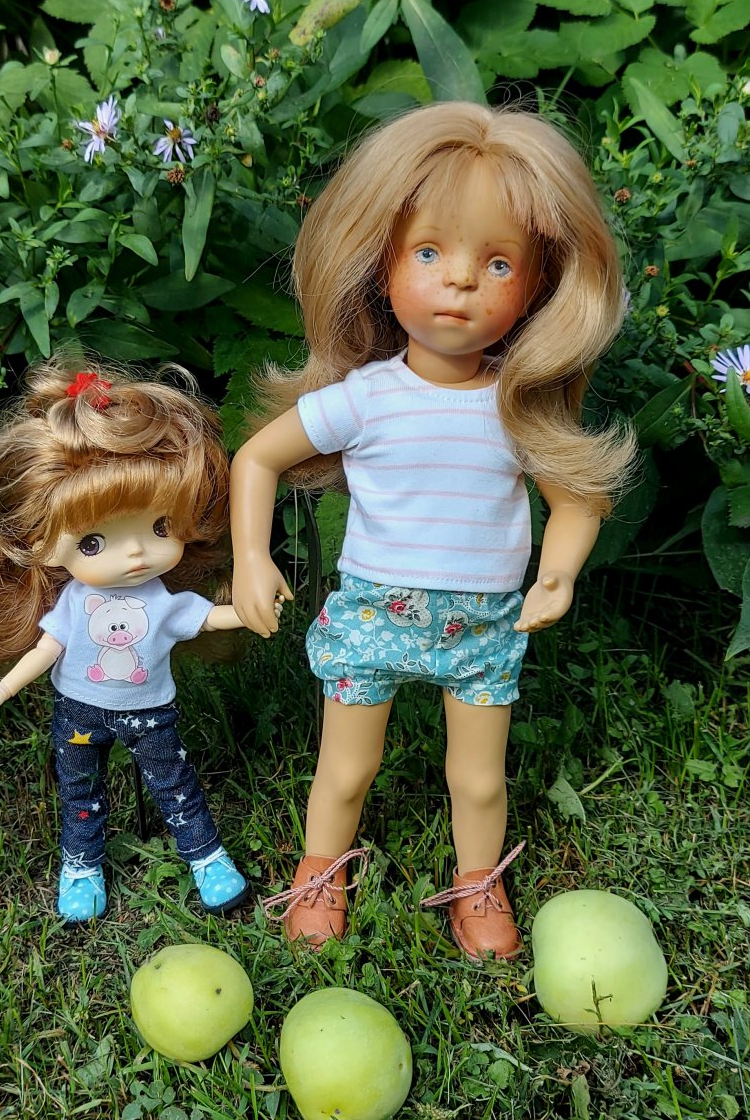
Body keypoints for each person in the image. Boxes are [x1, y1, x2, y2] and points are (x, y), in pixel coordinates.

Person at [230, 101, 634, 959]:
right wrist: (251, 558)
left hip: (482, 626)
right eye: (428, 253)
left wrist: (557, 571)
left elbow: (577, 499)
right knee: (346, 766)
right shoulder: (366, 398)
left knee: (477, 778)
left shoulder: (516, 406)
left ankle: (478, 884)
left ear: (538, 287)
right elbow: (257, 458)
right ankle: (319, 870)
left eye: (498, 262)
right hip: (374, 614)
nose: (460, 281)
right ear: (379, 264)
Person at [0, 360, 279, 923]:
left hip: (150, 712)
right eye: (93, 543)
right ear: (43, 546)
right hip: (78, 710)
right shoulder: (73, 602)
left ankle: (206, 858)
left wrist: (250, 612)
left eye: (159, 527)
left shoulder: (162, 600)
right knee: (80, 793)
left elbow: (206, 619)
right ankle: (81, 864)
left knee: (176, 785)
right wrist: (5, 687)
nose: (135, 554)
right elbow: (47, 649)